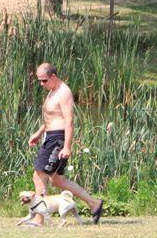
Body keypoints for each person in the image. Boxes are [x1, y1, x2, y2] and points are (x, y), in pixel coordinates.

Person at [27, 62, 104, 225]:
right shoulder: (53, 90)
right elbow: (52, 117)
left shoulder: (63, 92)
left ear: (53, 76)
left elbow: (69, 121)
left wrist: (67, 146)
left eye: (44, 80)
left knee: (39, 176)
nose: (41, 84)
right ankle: (94, 204)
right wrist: (39, 133)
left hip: (57, 138)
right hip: (50, 136)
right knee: (57, 180)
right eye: (39, 81)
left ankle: (39, 219)